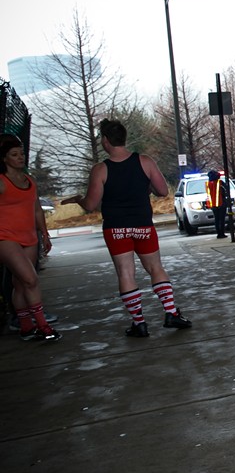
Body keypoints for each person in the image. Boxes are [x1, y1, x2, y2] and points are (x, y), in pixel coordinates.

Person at [62, 119, 192, 338]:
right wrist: (145, 186)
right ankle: (171, 313)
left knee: (125, 272)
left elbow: (91, 204)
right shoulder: (145, 161)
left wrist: (78, 200)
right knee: (155, 268)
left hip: (115, 228)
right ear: (123, 138)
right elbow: (162, 191)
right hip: (142, 224)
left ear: (105, 140)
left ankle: (139, 323)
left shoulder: (101, 169)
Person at [0, 135, 60, 342]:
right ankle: (42, 325)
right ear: (4, 158)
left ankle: (26, 327)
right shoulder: (1, 181)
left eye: (22, 154)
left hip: (29, 236)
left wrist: (44, 233)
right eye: (14, 155)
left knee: (20, 283)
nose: (20, 158)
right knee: (30, 279)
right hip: (5, 237)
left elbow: (36, 211)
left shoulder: (29, 181)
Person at [206, 169, 228, 238]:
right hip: (221, 203)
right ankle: (222, 233)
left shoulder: (208, 184)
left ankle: (218, 233)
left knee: (216, 219)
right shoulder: (220, 183)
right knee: (221, 219)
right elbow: (226, 190)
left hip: (213, 204)